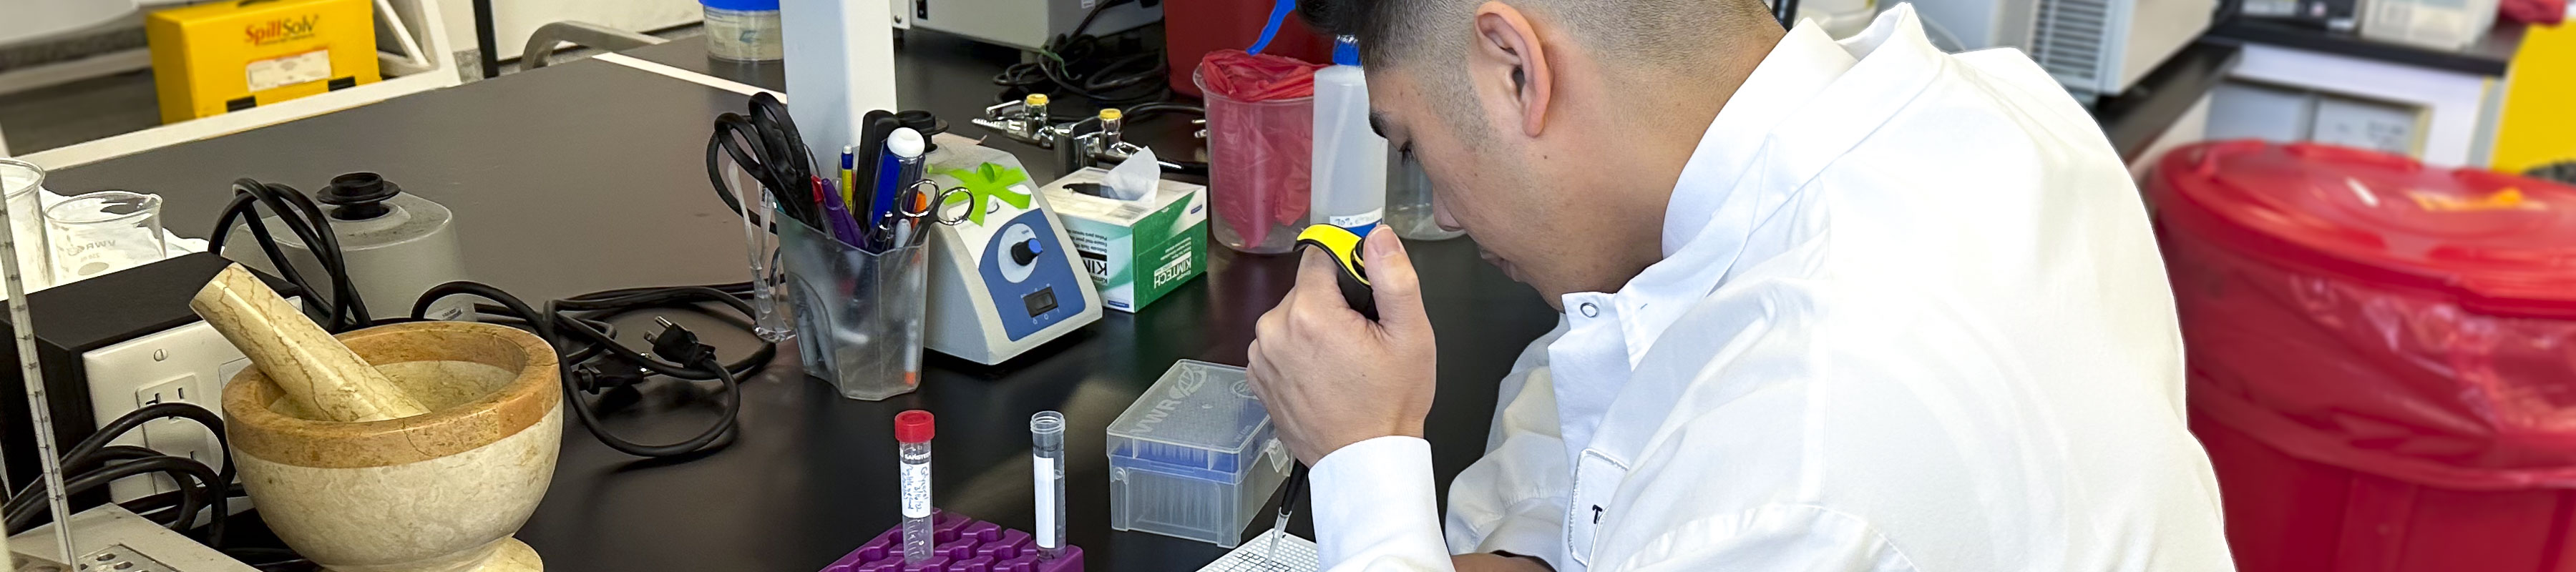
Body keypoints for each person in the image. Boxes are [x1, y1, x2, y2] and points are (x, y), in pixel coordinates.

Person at [1241, 1, 2236, 571]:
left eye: (1413, 147)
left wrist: (1365, 461)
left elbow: (1742, 477)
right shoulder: (2000, 111)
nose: (1444, 215)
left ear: (1514, 70)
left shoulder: (1795, 451)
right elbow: (1634, 404)